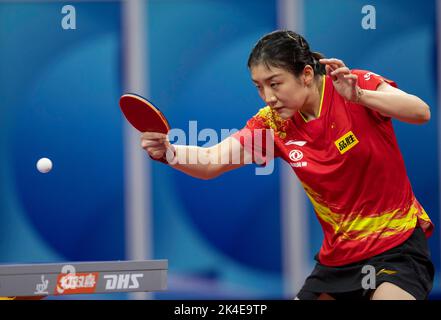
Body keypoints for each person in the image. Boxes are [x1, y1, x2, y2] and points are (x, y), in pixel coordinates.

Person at [140, 30, 435, 300]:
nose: (268, 97)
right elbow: (211, 162)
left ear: (306, 74)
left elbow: (420, 112)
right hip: (339, 262)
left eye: (275, 83)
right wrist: (168, 152)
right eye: (259, 87)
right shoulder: (273, 126)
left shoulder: (353, 86)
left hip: (396, 248)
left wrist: (360, 96)